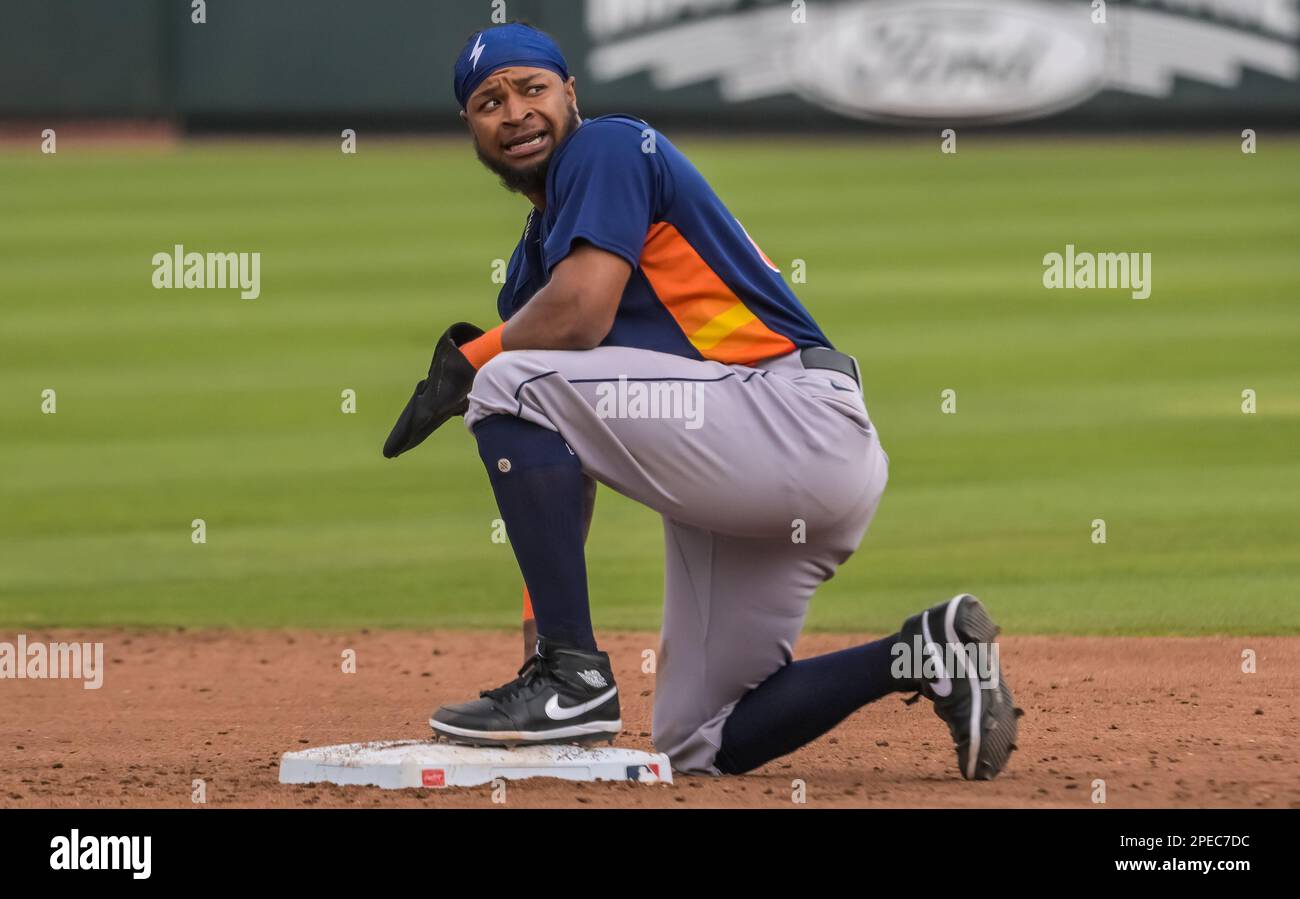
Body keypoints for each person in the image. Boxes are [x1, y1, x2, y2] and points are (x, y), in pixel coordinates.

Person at [383, 22, 1019, 779]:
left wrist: (471, 358)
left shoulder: (609, 147)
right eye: (490, 101)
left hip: (794, 418)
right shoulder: (530, 276)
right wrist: (543, 656)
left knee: (505, 381)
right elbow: (557, 478)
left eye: (532, 88)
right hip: (748, 472)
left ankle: (573, 678)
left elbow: (581, 314)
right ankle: (928, 650)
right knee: (695, 742)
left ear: (570, 95)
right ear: (470, 127)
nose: (515, 112)